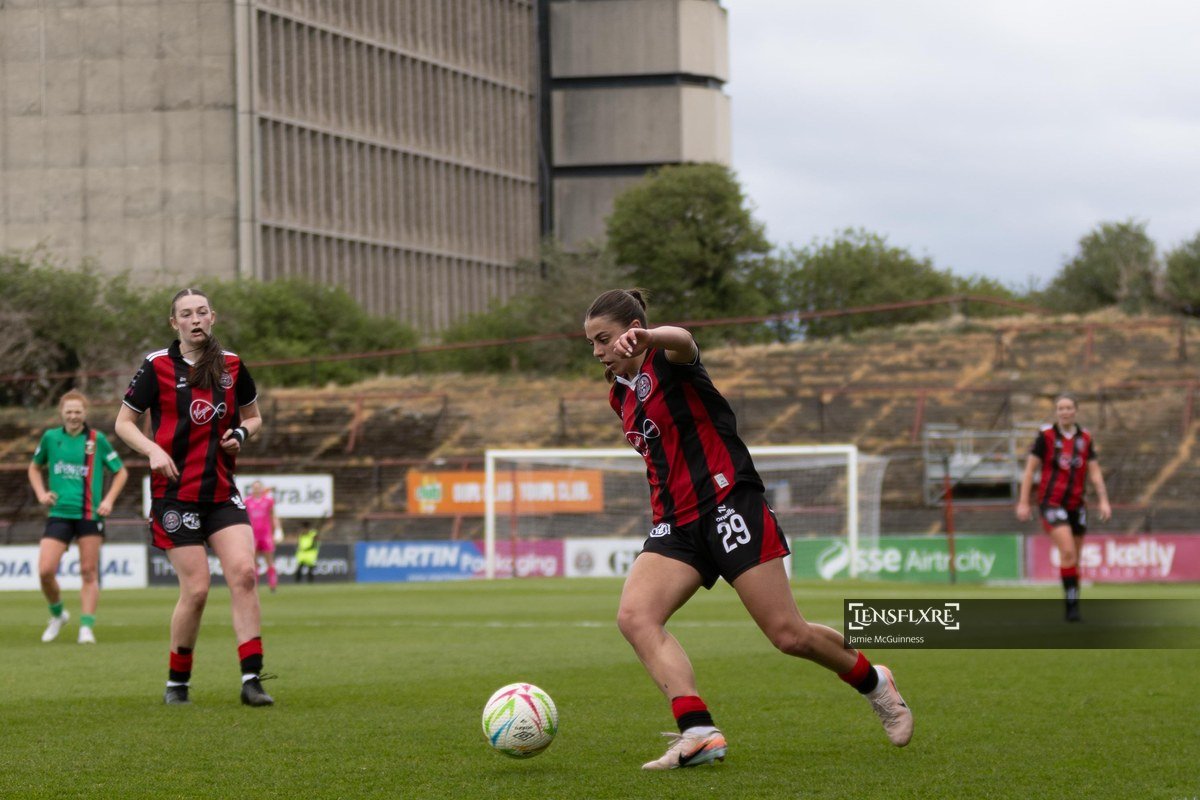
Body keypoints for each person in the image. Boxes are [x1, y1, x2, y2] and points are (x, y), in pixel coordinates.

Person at [583, 289, 913, 770]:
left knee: (788, 635)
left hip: (728, 503)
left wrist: (651, 336)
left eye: (604, 338)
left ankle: (875, 683)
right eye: (591, 343)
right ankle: (698, 731)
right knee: (635, 618)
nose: (597, 351)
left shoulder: (667, 359)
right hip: (676, 523)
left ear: (632, 329)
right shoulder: (619, 394)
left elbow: (684, 340)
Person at [114, 287, 274, 707]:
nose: (196, 319)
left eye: (202, 311)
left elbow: (254, 417)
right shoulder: (156, 366)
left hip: (221, 492)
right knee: (198, 589)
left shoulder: (233, 366)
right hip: (175, 496)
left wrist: (241, 433)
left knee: (244, 573)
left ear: (213, 317)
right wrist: (152, 449)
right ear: (175, 323)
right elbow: (124, 423)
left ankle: (252, 678)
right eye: (187, 314)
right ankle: (177, 682)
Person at [27, 389, 129, 644]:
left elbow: (121, 472)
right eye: (69, 411)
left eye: (78, 412)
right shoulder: (51, 438)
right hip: (59, 513)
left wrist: (108, 500)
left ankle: (86, 627)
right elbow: (34, 467)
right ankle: (58, 614)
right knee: (45, 570)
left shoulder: (97, 440)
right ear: (62, 413)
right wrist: (41, 493)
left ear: (85, 413)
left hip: (89, 514)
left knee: (88, 571)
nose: (73, 416)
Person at [1016, 392, 1112, 622]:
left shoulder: (1085, 438)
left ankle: (1073, 602)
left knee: (1074, 559)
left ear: (1076, 411)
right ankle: (1071, 609)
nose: (1065, 412)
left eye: (1069, 408)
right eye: (1061, 408)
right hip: (1051, 503)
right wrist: (1023, 501)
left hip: (1076, 505)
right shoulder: (1046, 436)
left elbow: (1095, 471)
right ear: (1056, 412)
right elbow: (1030, 470)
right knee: (1067, 551)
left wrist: (1103, 500)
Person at [245, 480, 279, 592]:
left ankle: (272, 584)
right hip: (253, 535)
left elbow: (273, 516)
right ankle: (255, 585)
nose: (257, 489)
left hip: (266, 535)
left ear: (262, 488)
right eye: (255, 487)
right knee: (253, 561)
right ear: (252, 489)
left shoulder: (268, 501)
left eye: (259, 487)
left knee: (269, 560)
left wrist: (277, 530)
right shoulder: (247, 501)